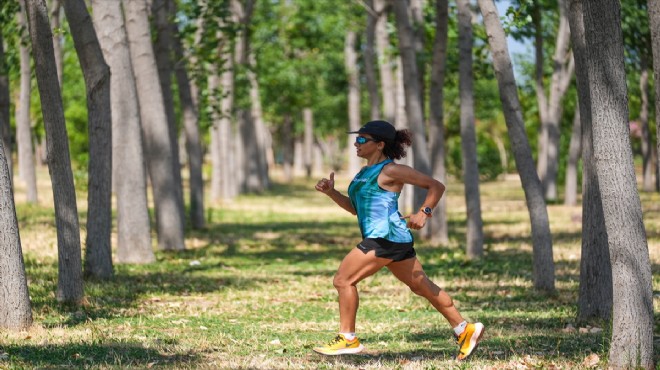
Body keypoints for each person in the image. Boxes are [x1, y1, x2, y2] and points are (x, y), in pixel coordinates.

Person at [312, 120, 484, 360]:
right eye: (356, 139)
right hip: (393, 239)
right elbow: (355, 209)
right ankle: (464, 329)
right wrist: (332, 192)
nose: (356, 143)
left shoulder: (391, 171)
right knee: (421, 285)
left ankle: (348, 338)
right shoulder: (364, 172)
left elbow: (436, 186)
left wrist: (424, 212)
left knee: (343, 280)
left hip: (385, 238)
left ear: (380, 144)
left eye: (362, 140)